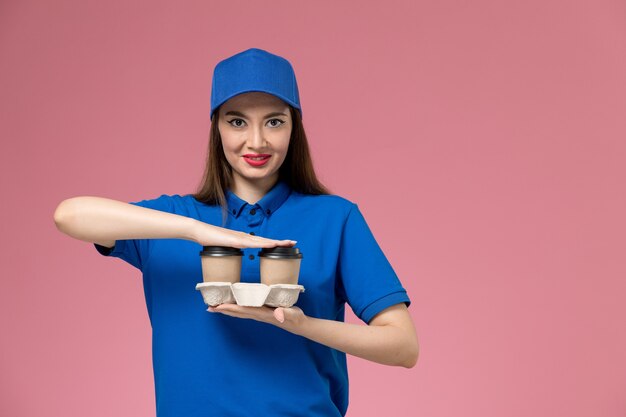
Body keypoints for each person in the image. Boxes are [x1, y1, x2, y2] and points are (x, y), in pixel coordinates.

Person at [54, 47, 419, 417]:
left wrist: (302, 324)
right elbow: (70, 215)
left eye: (274, 122)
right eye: (237, 121)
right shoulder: (171, 220)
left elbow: (403, 346)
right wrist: (198, 231)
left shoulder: (335, 218)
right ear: (216, 128)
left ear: (295, 127)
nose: (256, 142)